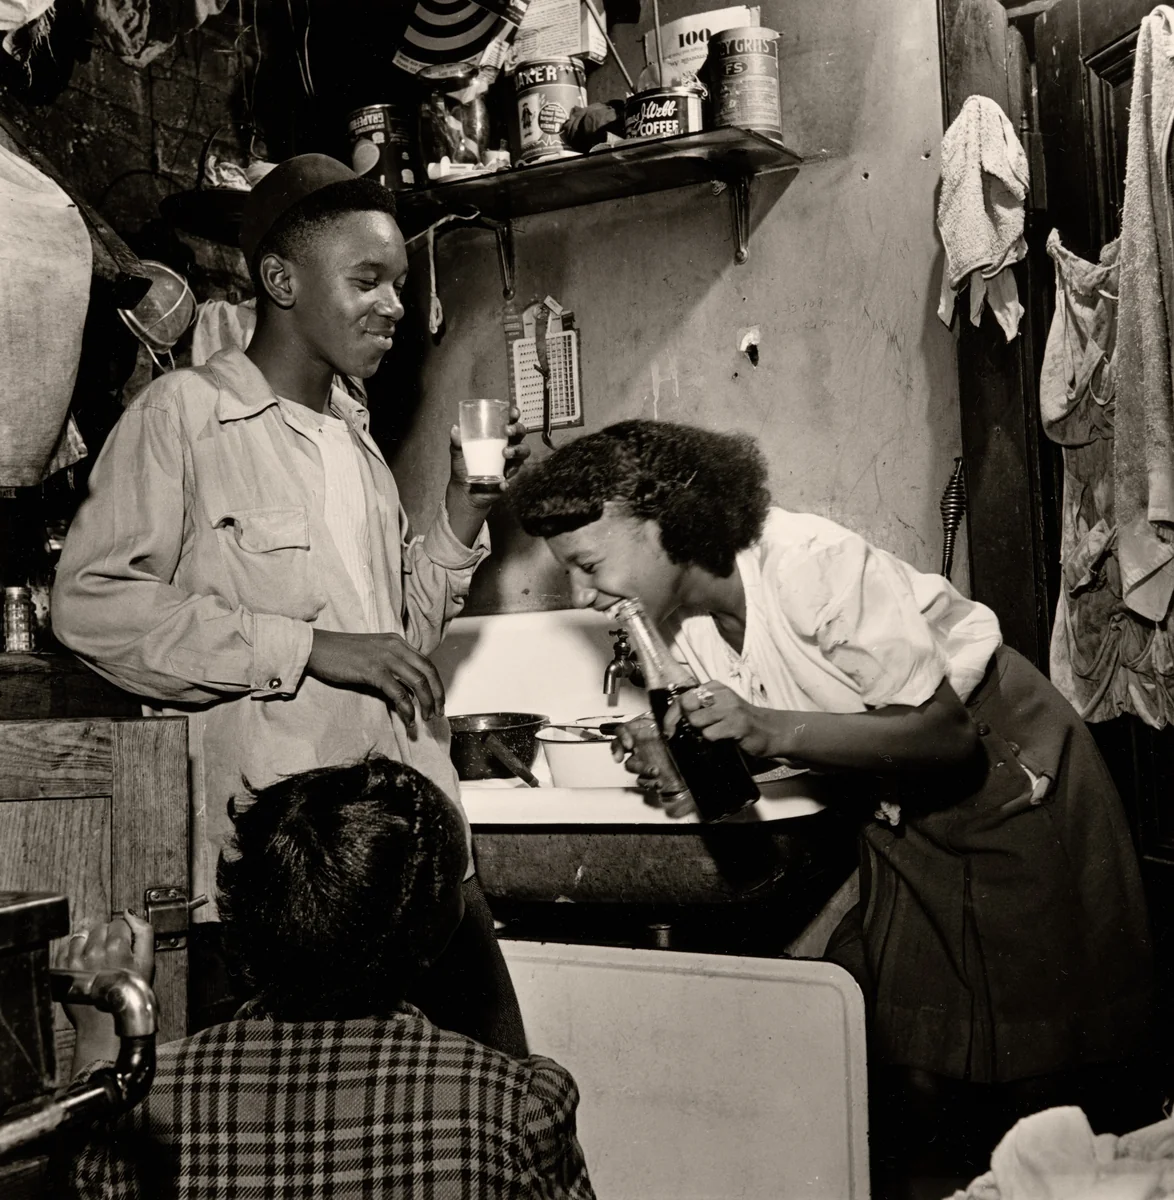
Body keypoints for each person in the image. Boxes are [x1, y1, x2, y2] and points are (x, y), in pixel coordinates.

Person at [510, 418, 1156, 1181]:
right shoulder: (677, 634)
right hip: (896, 811)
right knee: (917, 1062)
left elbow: (947, 738)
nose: (585, 595)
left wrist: (764, 726)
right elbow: (757, 758)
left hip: (1010, 777)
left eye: (588, 564)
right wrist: (690, 756)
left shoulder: (807, 565)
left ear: (667, 526)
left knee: (1044, 1071)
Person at [52, 154, 529, 1053]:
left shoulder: (358, 445)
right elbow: (90, 605)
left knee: (497, 1094)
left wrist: (461, 518)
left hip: (423, 851)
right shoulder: (182, 417)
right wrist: (307, 646)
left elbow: (396, 645)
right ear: (280, 280)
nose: (393, 306)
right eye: (368, 280)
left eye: (398, 283)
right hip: (293, 885)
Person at [61, 756, 596, 1199]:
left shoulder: (143, 1106)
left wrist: (99, 1045)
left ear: (238, 917)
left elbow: (85, 1179)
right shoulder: (516, 1105)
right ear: (440, 932)